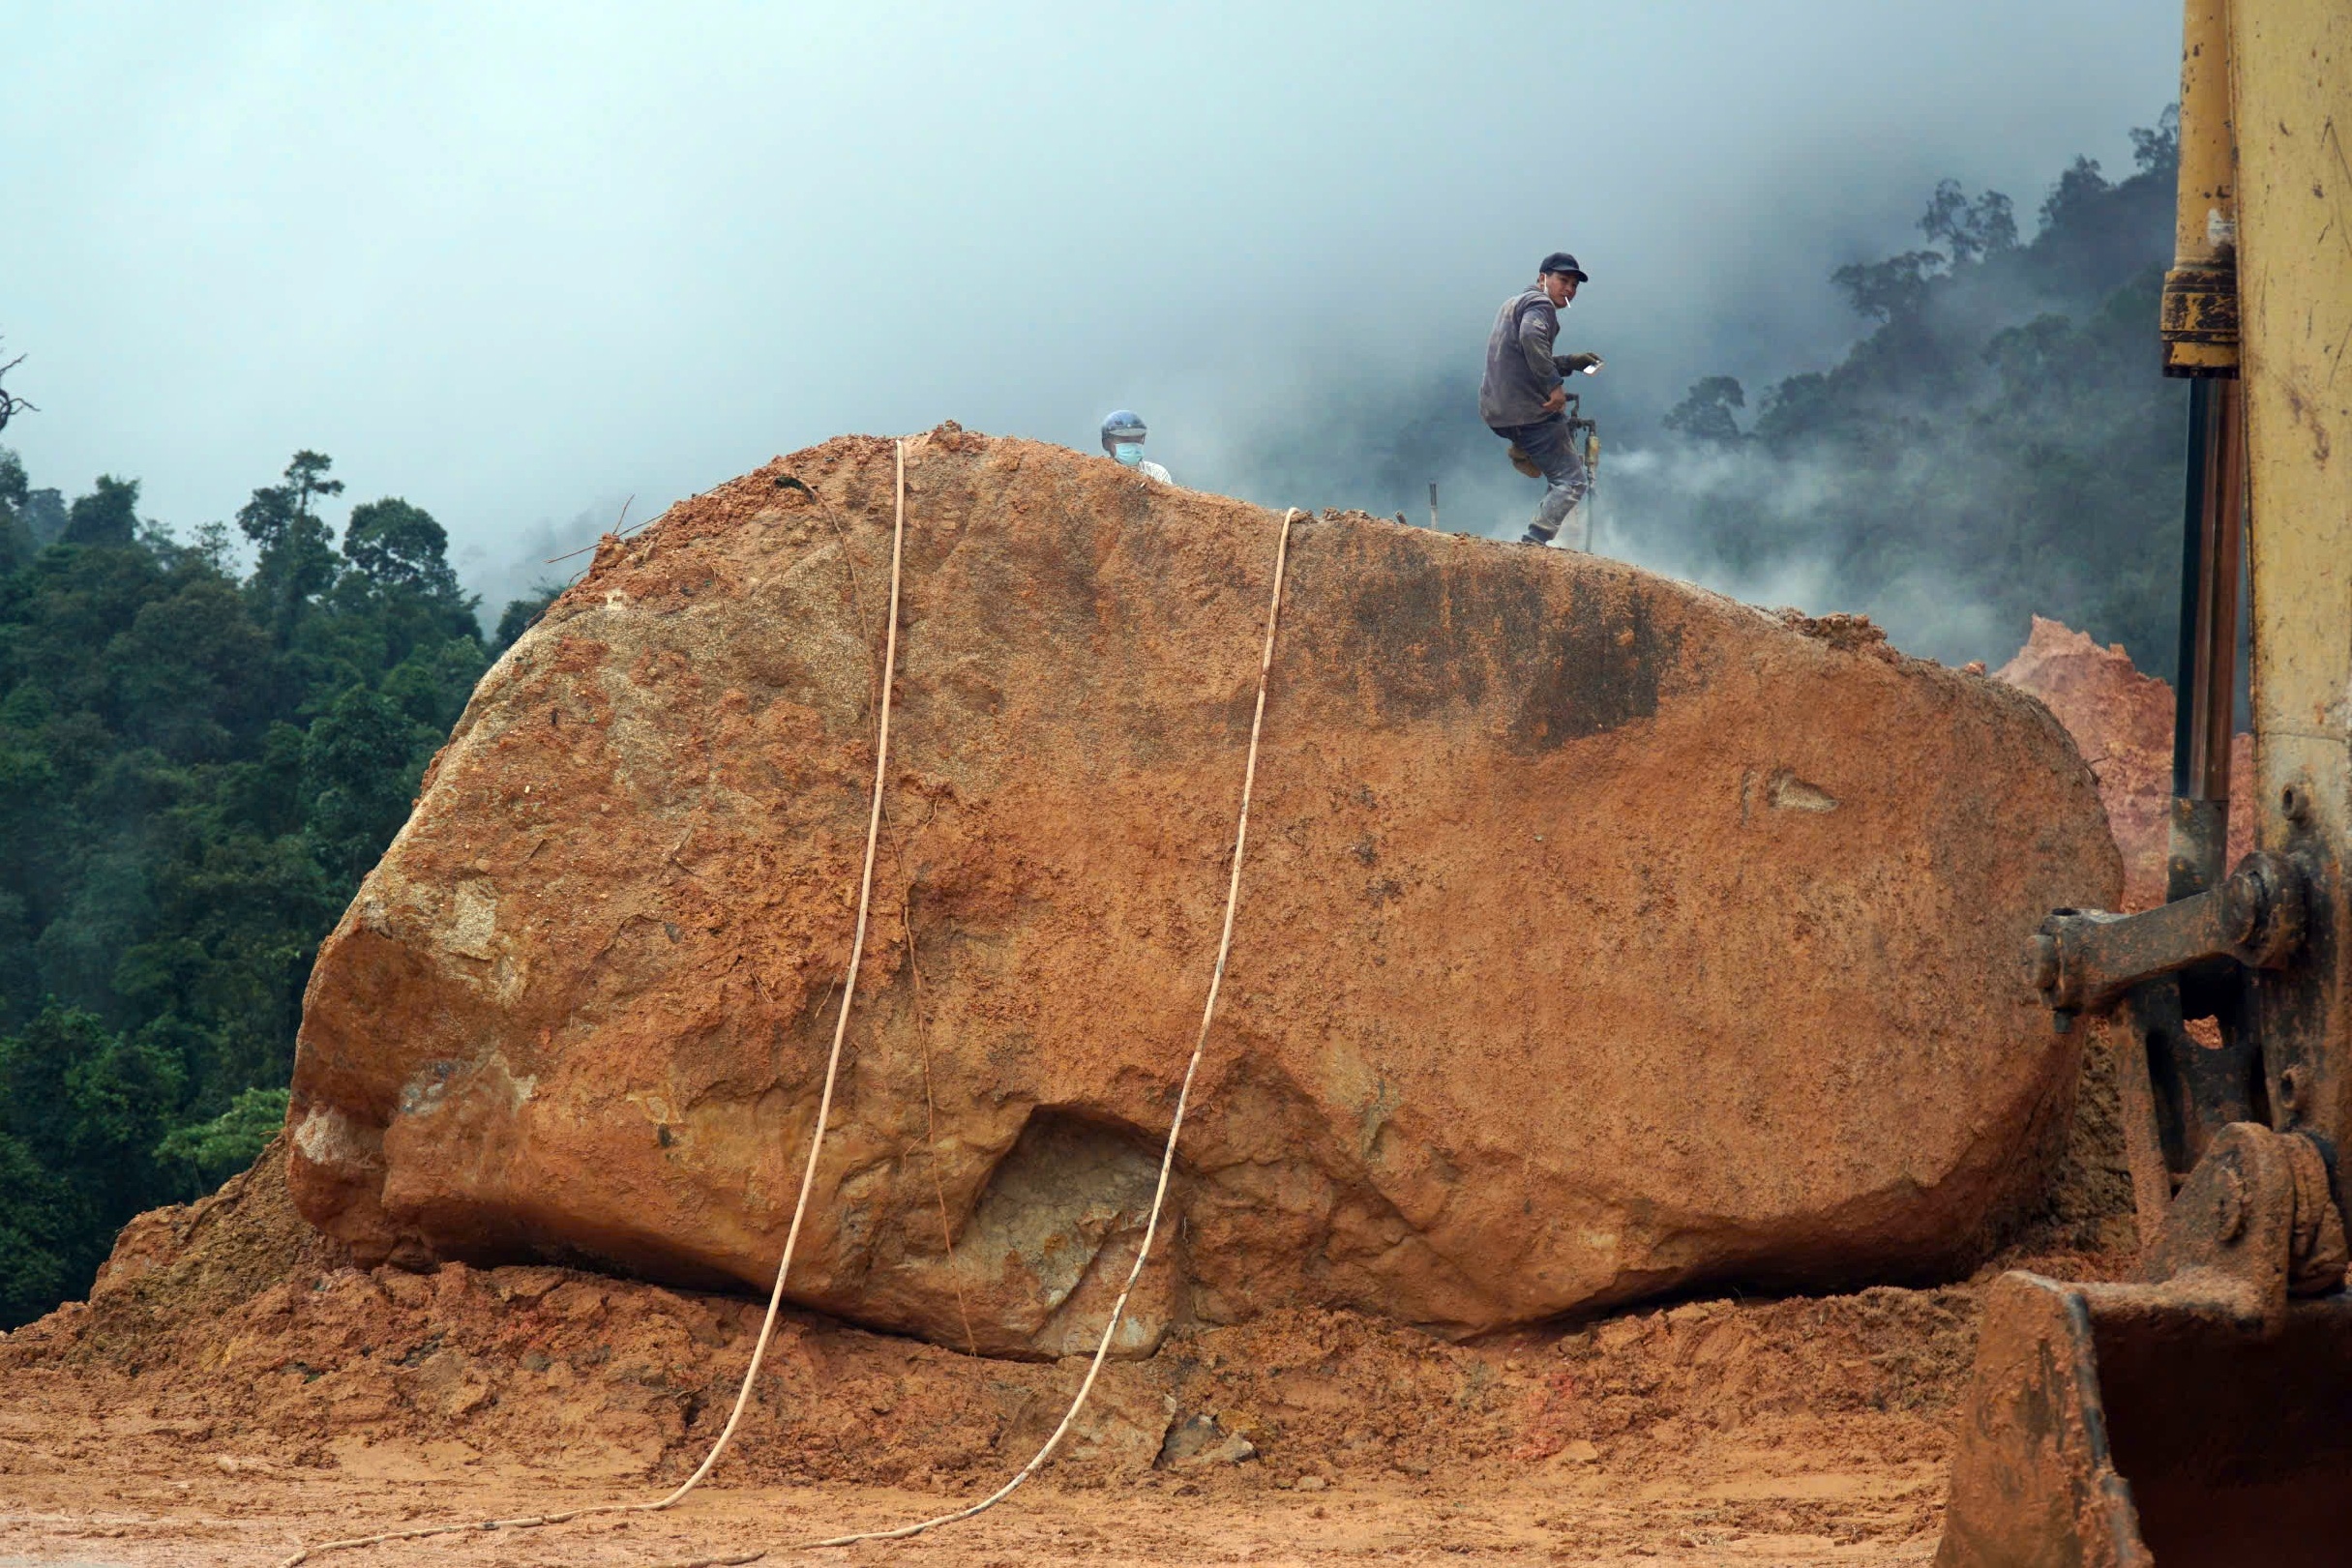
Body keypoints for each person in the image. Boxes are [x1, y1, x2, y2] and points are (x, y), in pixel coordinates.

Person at [1479, 252, 1602, 546]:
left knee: (1559, 463)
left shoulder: (1513, 304)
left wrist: (1571, 362)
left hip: (1497, 408)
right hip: (1524, 411)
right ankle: (1533, 544)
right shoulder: (1540, 304)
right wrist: (1554, 385)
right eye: (1563, 280)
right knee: (1572, 481)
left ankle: (1524, 447)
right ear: (1542, 278)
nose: (1569, 289)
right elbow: (1531, 340)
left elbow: (1525, 354)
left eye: (1574, 285)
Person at [1100, 410, 1173, 484]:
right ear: (1106, 444)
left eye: (1137, 439)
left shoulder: (1158, 474)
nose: (1132, 444)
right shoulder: (1098, 475)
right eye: (1125, 439)